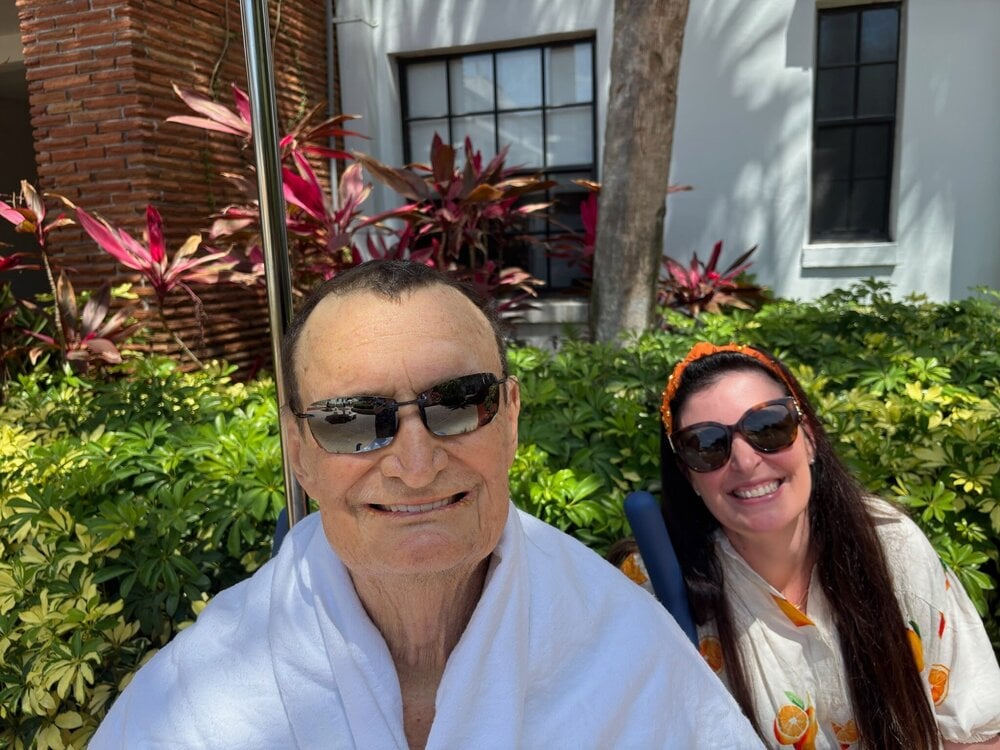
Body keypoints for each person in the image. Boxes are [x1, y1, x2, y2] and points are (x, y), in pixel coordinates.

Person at [91, 261, 762, 749]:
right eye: (352, 420)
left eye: (459, 403)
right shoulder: (199, 700)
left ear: (510, 418)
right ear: (299, 451)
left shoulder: (624, 647)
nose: (415, 466)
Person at [617, 341, 1000, 749]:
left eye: (769, 426)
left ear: (810, 438)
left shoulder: (891, 545)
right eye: (707, 445)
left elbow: (977, 732)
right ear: (688, 475)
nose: (745, 461)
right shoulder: (650, 591)